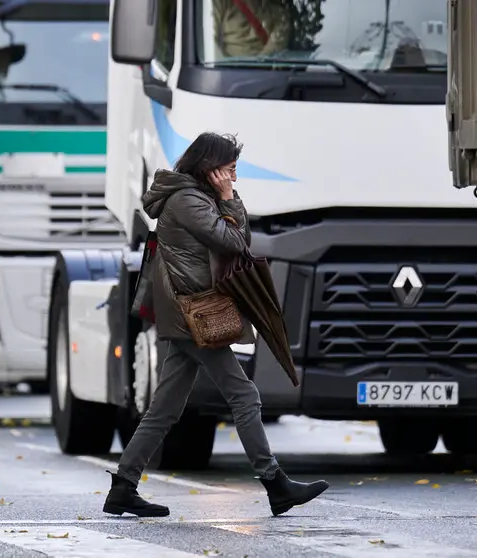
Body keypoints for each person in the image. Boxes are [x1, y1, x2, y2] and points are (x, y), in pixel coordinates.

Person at [102, 132, 329, 518]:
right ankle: (275, 484)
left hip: (187, 313)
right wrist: (228, 198)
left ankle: (123, 487)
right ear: (210, 168)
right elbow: (234, 243)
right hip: (196, 316)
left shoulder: (194, 198)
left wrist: (227, 199)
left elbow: (239, 238)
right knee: (244, 395)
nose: (233, 178)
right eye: (230, 169)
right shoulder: (188, 201)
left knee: (164, 409)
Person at [212, 0, 291, 58]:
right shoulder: (221, 3)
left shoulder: (275, 6)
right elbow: (209, 43)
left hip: (266, 70)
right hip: (230, 70)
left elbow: (278, 40)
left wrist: (260, 64)